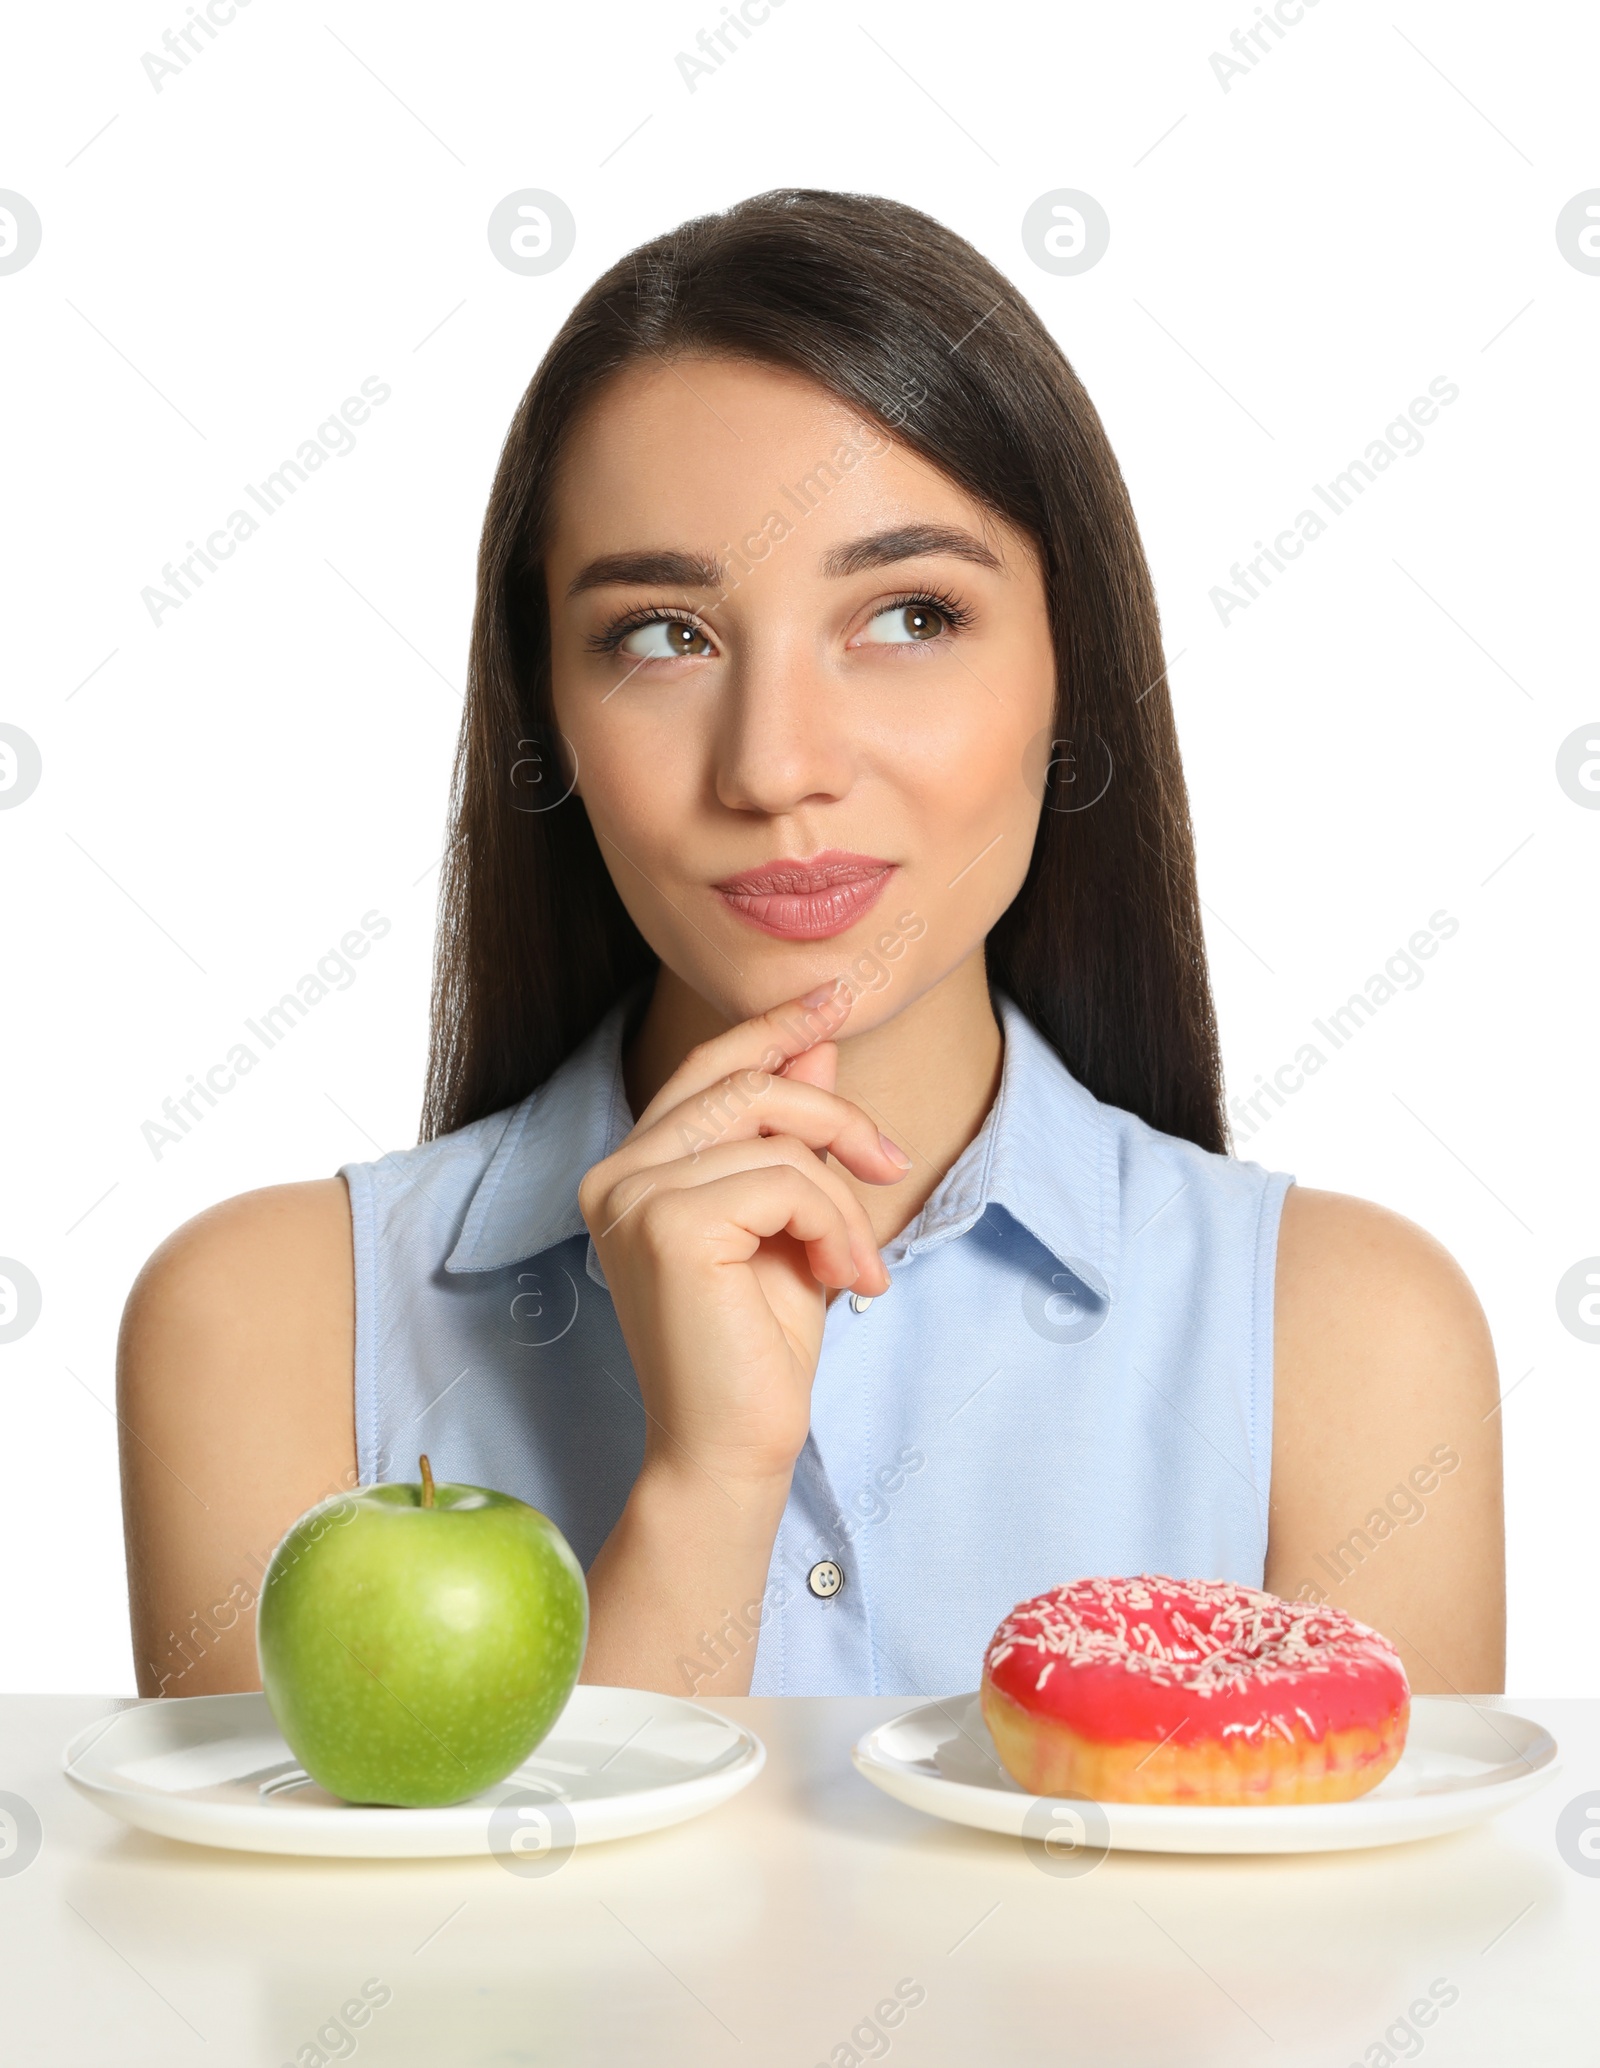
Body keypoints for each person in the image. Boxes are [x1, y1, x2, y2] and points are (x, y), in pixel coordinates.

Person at [118, 189, 1504, 1704]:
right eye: (664, 634)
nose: (774, 766)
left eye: (909, 615)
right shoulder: (266, 1324)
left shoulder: (1354, 1341)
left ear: (1073, 672)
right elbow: (378, 1953)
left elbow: (1360, 1944)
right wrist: (709, 1487)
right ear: (552, 723)